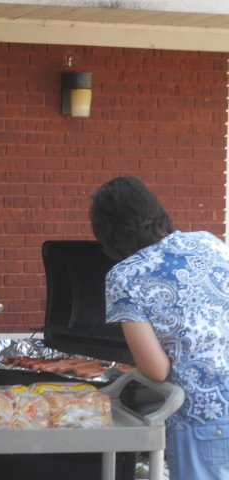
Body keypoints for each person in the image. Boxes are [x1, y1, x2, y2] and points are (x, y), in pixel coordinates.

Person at [89, 175, 229, 480]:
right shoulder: (208, 241)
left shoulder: (124, 276)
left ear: (108, 232)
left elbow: (156, 371)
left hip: (205, 418)